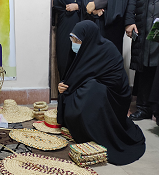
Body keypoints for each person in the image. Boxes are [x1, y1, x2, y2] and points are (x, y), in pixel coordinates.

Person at [57, 20, 145, 165]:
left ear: (88, 38)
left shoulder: (107, 50)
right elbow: (72, 78)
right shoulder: (83, 50)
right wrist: (63, 86)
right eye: (72, 39)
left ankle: (93, 131)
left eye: (77, 40)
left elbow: (116, 84)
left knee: (91, 90)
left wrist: (76, 86)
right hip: (96, 91)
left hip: (114, 98)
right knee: (83, 91)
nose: (73, 43)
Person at [125, 0, 159, 121]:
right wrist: (129, 21)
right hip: (143, 25)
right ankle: (144, 108)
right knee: (145, 64)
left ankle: (157, 109)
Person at [52, 0, 84, 79]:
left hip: (81, 22)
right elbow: (57, 3)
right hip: (65, 22)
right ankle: (65, 87)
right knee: (64, 57)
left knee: (79, 59)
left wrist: (78, 6)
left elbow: (92, 2)